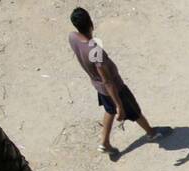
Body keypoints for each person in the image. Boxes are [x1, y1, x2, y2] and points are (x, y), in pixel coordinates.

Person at [67, 7, 169, 159]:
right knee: (134, 110)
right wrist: (120, 105)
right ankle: (151, 133)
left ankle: (105, 143)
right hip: (115, 89)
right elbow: (108, 81)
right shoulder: (94, 51)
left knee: (109, 110)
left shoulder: (72, 37)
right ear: (90, 23)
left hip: (98, 87)